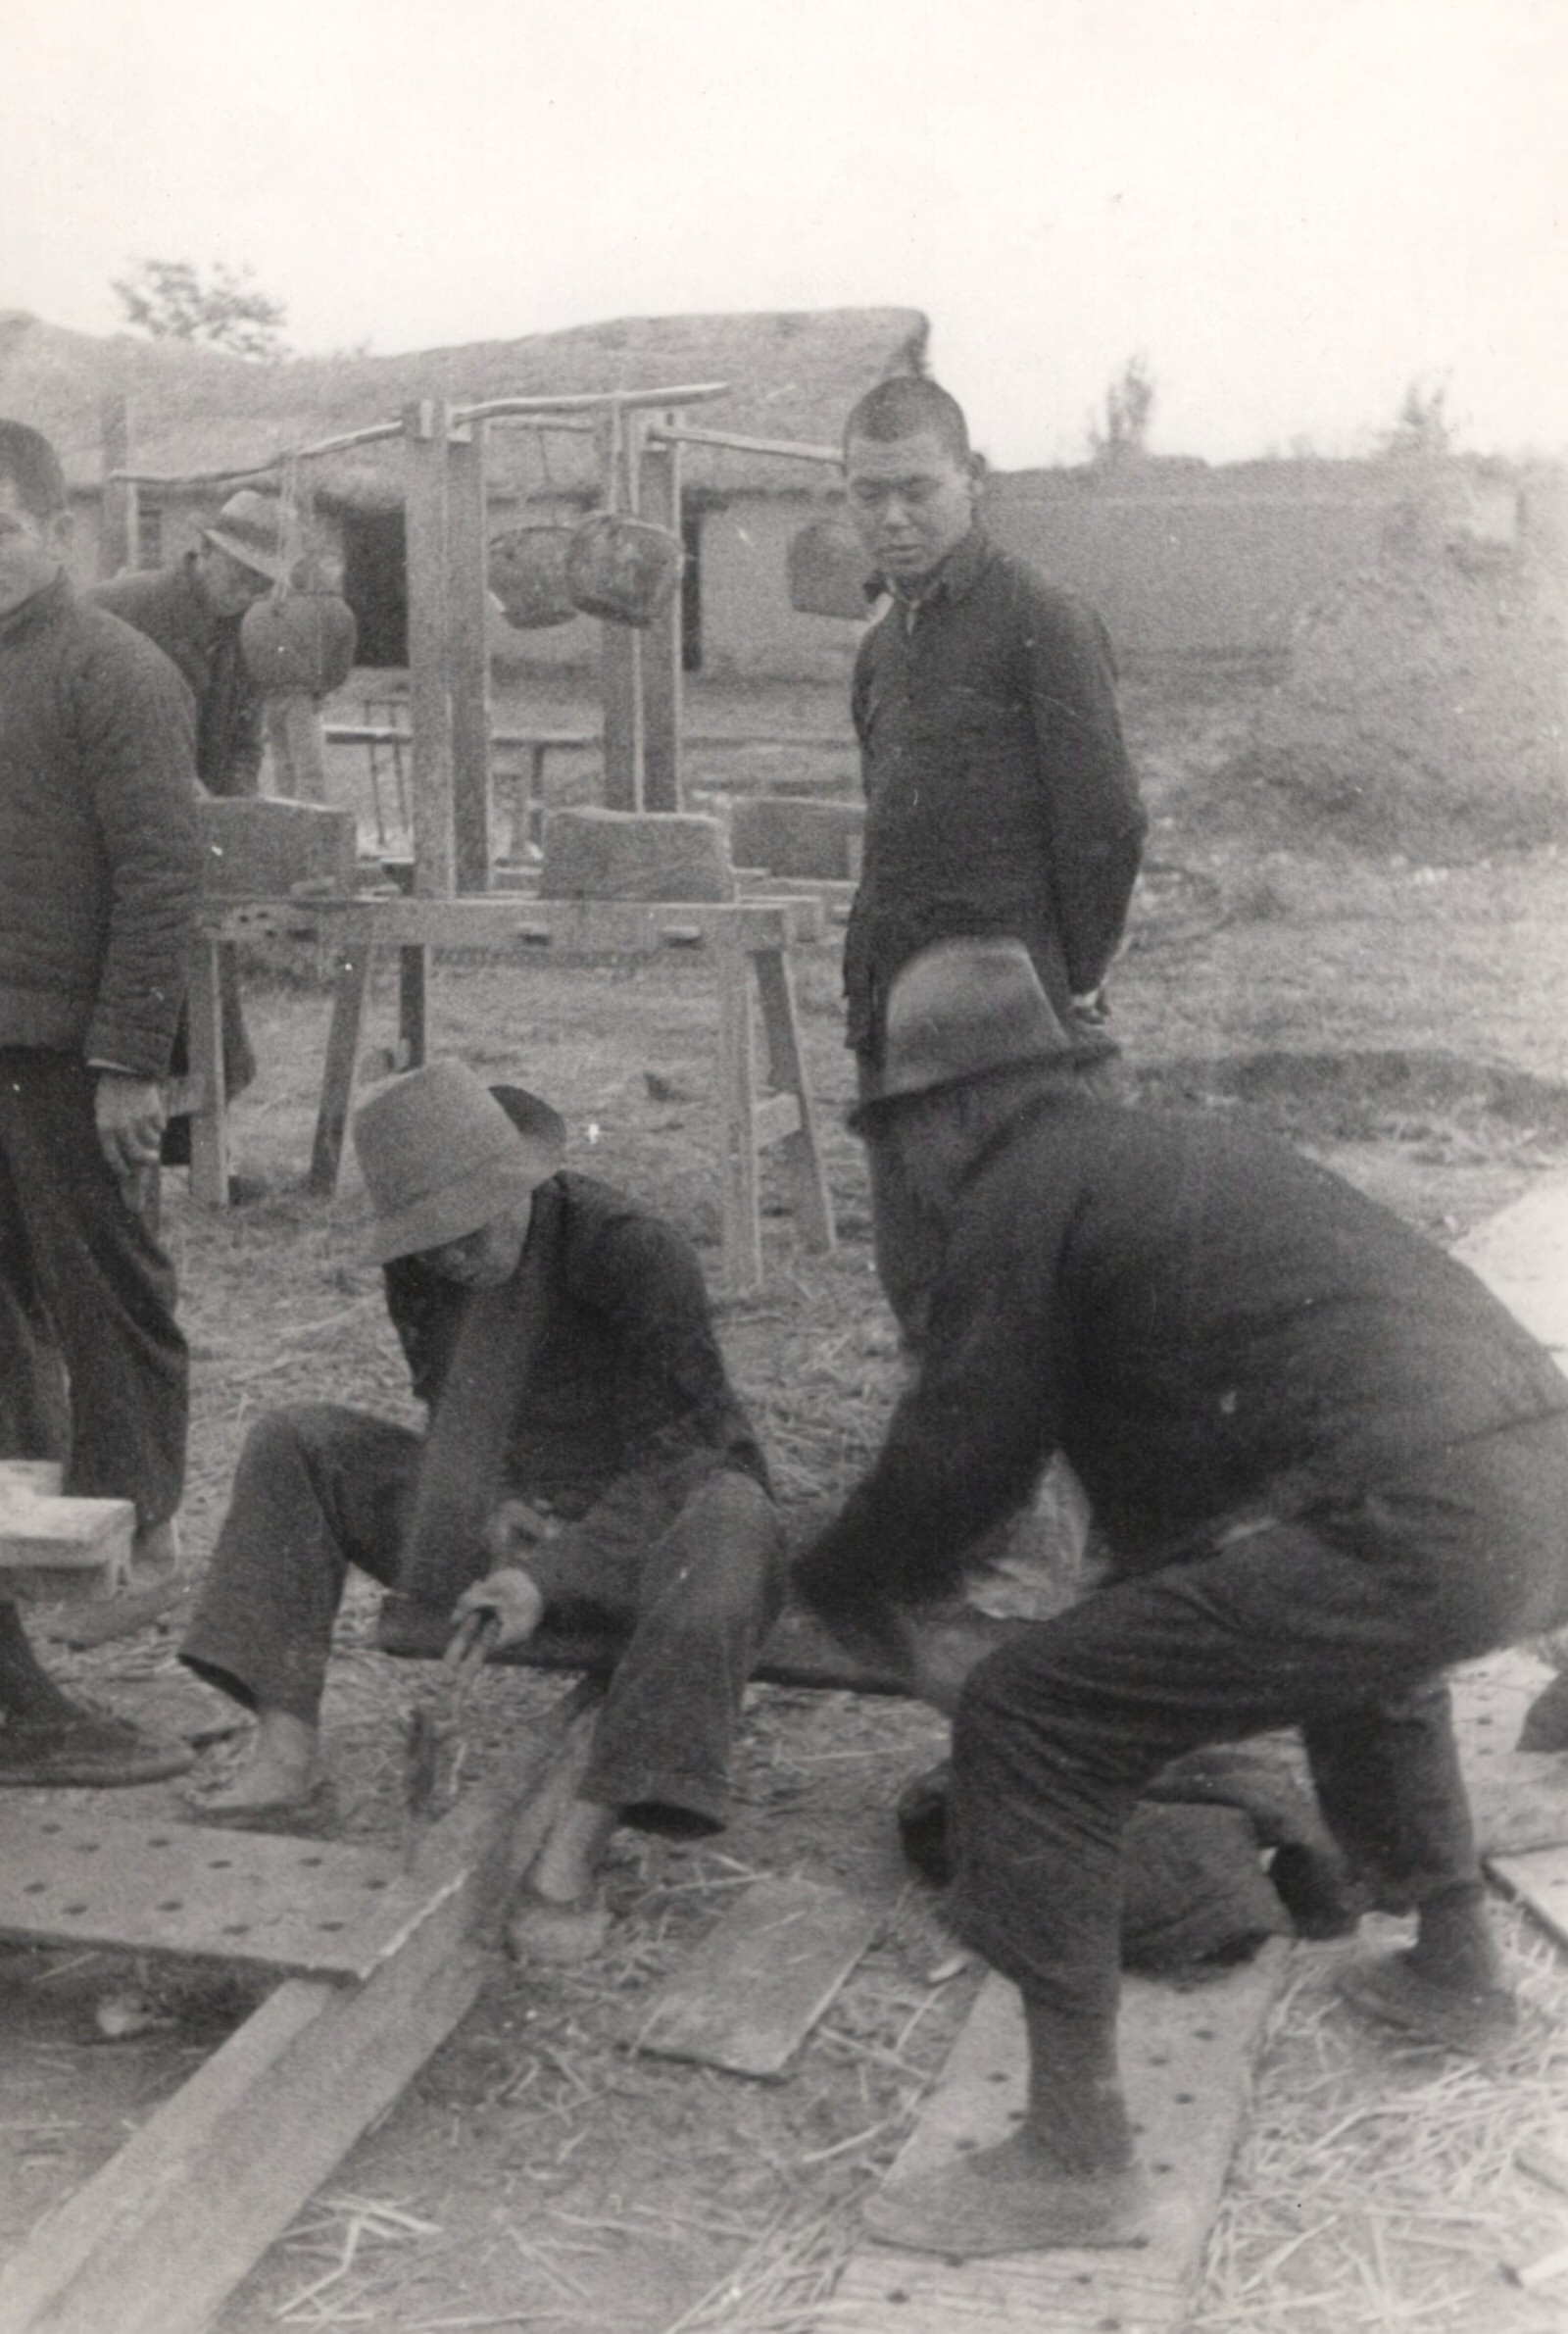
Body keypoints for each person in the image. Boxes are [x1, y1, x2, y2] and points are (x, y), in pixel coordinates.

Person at [794, 936, 1568, 2259]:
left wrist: (831, 1574)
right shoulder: (1162, 1162)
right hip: (1532, 1491)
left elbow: (959, 1449)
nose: (905, 1167)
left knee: (1031, 1714)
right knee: (1359, 1638)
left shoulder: (1021, 1188)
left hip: (1418, 1508)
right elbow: (1179, 1491)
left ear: (957, 1109)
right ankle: (1455, 1972)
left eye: (900, 1132)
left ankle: (1075, 2155)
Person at [180, 1058, 786, 1962]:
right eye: (431, 1242)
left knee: (733, 1523)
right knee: (294, 1440)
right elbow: (449, 1410)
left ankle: (577, 1844)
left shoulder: (631, 1250)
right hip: (519, 1526)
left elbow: (684, 1449)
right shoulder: (424, 1269)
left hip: (651, 1526)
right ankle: (286, 1753)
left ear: (524, 1184)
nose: (455, 1258)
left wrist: (551, 1572)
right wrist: (496, 1505)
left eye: (469, 1231)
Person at [839, 373, 1147, 1343]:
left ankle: (1051, 1492)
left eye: (916, 490)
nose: (891, 518)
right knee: (918, 1280)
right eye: (866, 494)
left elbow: (1107, 821)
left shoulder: (1041, 620)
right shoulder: (880, 647)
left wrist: (1077, 974)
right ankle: (956, 1484)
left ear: (973, 479)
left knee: (1029, 1284)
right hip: (894, 1011)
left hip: (1012, 1020)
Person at [0, 417, 202, 1785]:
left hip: (75, 1059)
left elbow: (161, 874)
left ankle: (138, 1533)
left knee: (111, 1294)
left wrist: (134, 1057)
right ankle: (31, 1541)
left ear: (55, 533)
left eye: (0, 534)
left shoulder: (117, 671)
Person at [91, 488, 288, 1168]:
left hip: (192, 831)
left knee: (207, 979)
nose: (245, 592)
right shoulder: (124, 608)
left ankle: (204, 1146)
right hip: (106, 820)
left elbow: (243, 738)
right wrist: (173, 780)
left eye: (261, 584)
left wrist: (236, 804)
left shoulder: (250, 635)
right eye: (237, 573)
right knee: (128, 973)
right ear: (202, 551)